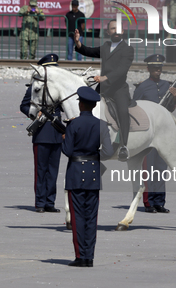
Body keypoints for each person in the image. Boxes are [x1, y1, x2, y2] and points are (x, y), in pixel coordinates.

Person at [62, 86, 113, 267]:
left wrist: (65, 137)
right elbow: (108, 151)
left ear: (81, 104)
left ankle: (80, 256)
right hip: (93, 174)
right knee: (92, 217)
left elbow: (67, 151)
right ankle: (89, 256)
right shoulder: (102, 125)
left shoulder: (73, 124)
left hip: (76, 173)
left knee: (77, 217)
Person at [74, 20, 134, 161]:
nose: (116, 31)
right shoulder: (106, 46)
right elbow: (90, 51)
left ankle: (124, 145)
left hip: (118, 89)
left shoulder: (127, 49)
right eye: (113, 28)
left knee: (123, 112)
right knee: (86, 105)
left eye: (118, 29)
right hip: (103, 88)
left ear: (123, 31)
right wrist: (78, 44)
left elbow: (121, 70)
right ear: (108, 32)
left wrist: (105, 77)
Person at [132, 54, 176, 213]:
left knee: (161, 167)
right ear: (148, 69)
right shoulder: (142, 87)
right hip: (148, 133)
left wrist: (174, 98)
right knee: (148, 168)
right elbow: (133, 109)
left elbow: (170, 109)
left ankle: (159, 201)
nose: (158, 71)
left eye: (160, 68)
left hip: (163, 132)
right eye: (155, 68)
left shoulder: (167, 85)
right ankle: (149, 202)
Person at [19, 54, 64, 213]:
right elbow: (24, 106)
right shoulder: (35, 86)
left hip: (57, 131)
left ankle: (50, 202)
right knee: (41, 170)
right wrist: (34, 114)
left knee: (53, 171)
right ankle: (39, 202)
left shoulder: (60, 86)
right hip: (42, 131)